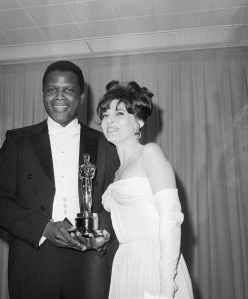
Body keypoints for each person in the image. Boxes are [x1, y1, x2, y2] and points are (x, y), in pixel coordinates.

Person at [0, 61, 119, 299]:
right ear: (43, 94)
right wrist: (44, 227)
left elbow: (116, 203)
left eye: (69, 89)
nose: (59, 96)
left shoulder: (105, 144)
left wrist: (101, 236)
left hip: (90, 264)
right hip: (33, 261)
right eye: (52, 89)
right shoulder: (18, 141)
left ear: (82, 96)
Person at [97, 80, 194, 299]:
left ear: (138, 122)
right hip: (125, 264)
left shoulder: (149, 153)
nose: (109, 120)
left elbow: (170, 218)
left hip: (155, 264)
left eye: (119, 113)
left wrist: (167, 283)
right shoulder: (117, 172)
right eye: (105, 115)